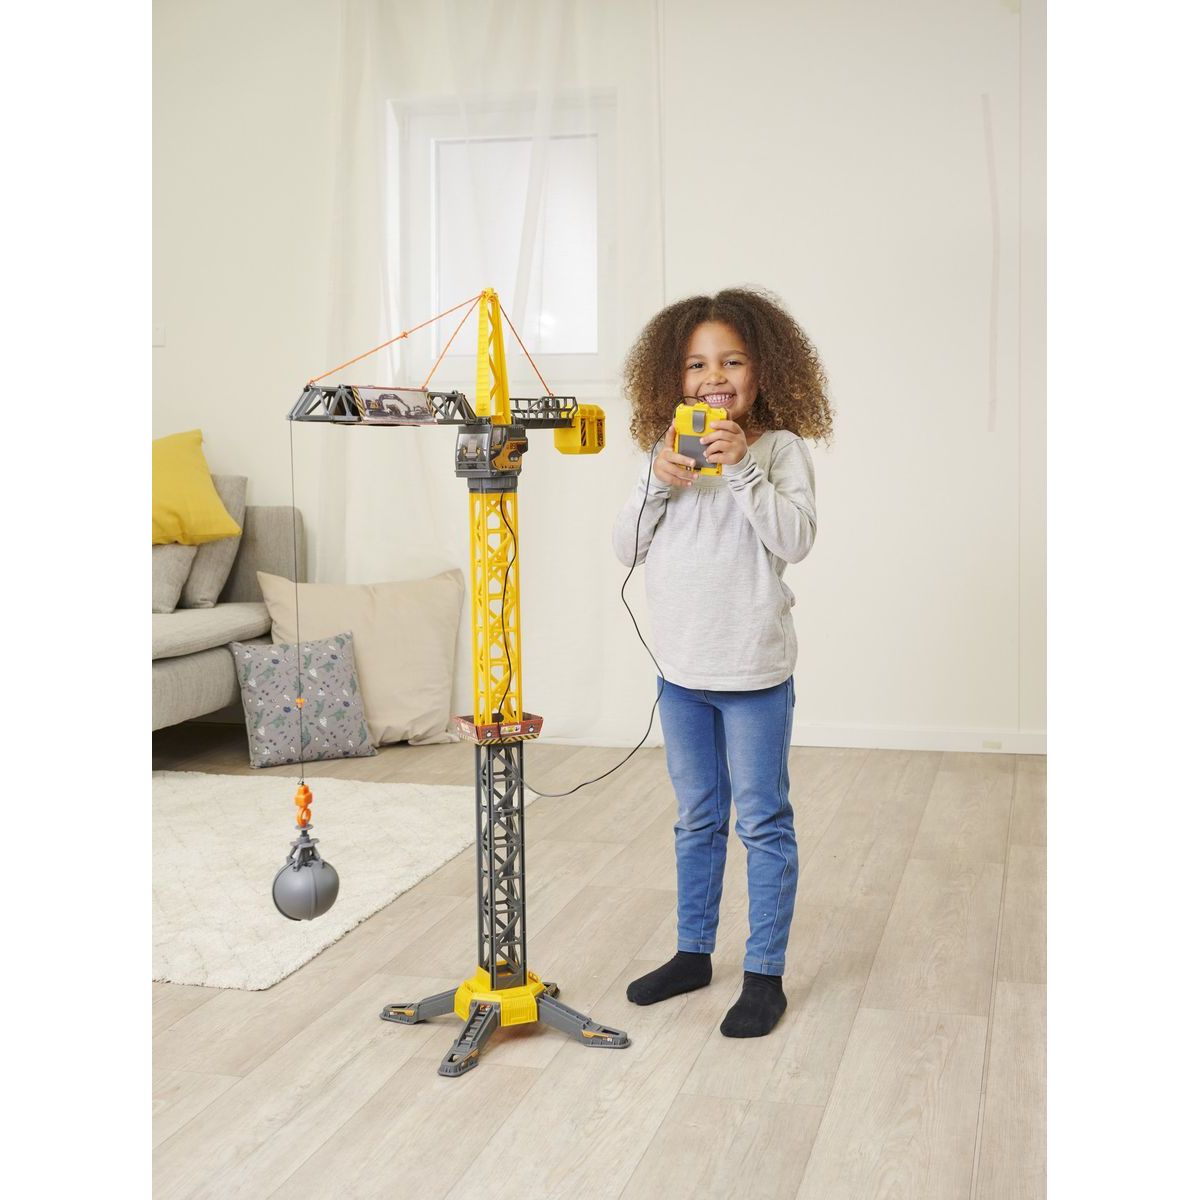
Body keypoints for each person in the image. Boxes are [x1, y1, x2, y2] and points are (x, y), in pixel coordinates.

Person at [612, 286, 833, 1037]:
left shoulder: (779, 451)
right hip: (680, 674)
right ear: (672, 379)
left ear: (764, 369)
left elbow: (795, 539)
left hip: (753, 674)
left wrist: (742, 470)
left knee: (763, 822)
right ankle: (692, 953)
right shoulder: (664, 451)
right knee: (697, 817)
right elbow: (625, 549)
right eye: (697, 364)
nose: (714, 377)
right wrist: (656, 481)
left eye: (732, 361)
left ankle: (764, 973)